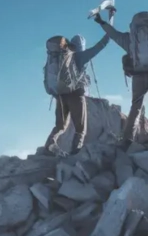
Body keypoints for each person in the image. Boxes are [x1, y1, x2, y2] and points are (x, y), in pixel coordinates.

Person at [93, 7, 148, 146]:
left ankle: (127, 140)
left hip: (138, 76)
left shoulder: (129, 40)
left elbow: (114, 34)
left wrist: (101, 22)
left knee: (135, 108)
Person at [43, 20, 111, 156]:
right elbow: (103, 44)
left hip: (60, 95)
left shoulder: (62, 56)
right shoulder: (81, 56)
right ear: (82, 46)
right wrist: (110, 22)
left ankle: (49, 145)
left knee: (60, 125)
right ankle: (76, 151)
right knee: (80, 127)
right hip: (76, 95)